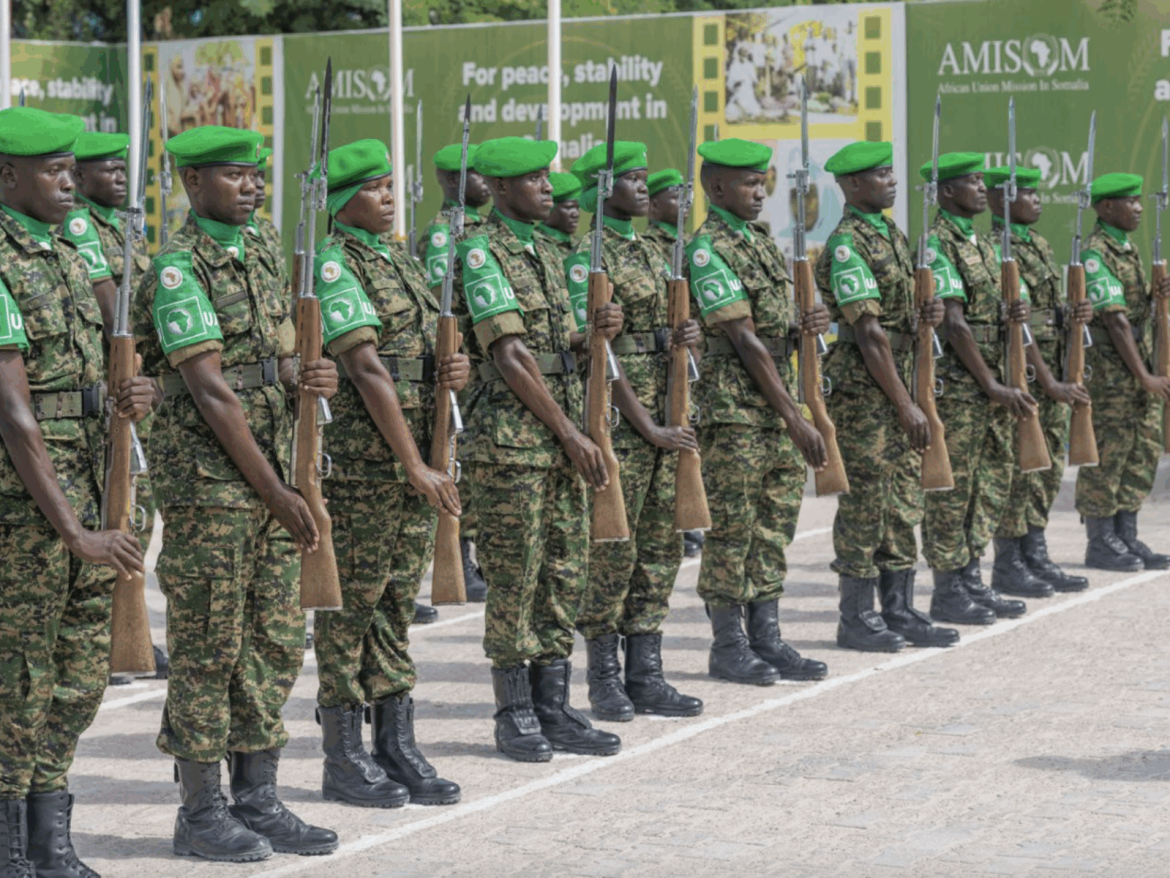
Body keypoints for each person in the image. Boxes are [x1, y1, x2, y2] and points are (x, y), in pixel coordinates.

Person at [133, 125, 338, 862]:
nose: (251, 186)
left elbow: (269, 360)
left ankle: (258, 797)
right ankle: (201, 812)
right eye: (233, 176)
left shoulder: (259, 256)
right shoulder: (178, 269)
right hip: (213, 487)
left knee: (274, 640)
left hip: (270, 478)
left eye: (256, 175)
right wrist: (280, 490)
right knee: (210, 646)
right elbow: (211, 390)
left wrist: (304, 375)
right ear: (192, 185)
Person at [0, 107, 153, 878]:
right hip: (28, 510)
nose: (70, 181)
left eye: (70, 169)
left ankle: (50, 834)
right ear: (6, 177)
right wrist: (73, 531)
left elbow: (90, 371)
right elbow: (14, 410)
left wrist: (127, 394)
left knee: (80, 673)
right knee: (17, 678)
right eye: (54, 171)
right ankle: (10, 851)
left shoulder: (64, 250)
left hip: (93, 481)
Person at [452, 136, 622, 762]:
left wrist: (591, 337)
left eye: (547, 178)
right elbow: (511, 356)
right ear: (497, 189)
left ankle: (555, 704)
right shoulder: (480, 253)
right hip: (512, 445)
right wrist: (571, 433)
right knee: (516, 577)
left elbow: (553, 346)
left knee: (563, 569)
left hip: (556, 440)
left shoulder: (545, 252)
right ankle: (515, 711)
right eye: (532, 179)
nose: (548, 187)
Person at [310, 138, 468, 808]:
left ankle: (396, 745)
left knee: (396, 606)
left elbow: (412, 354)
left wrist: (450, 372)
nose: (388, 198)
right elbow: (367, 368)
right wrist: (415, 464)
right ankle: (344, 757)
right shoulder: (335, 263)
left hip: (408, 470)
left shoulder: (394, 259)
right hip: (366, 471)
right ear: (344, 202)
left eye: (389, 187)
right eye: (374, 190)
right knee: (352, 611)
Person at [565, 141, 704, 722]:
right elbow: (601, 355)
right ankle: (603, 678)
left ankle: (646, 673)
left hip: (666, 413)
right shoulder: (585, 261)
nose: (645, 188)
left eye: (647, 178)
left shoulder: (656, 249)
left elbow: (667, 332)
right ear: (603, 189)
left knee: (659, 549)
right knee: (614, 553)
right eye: (631, 179)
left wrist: (688, 334)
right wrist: (645, 424)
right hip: (622, 421)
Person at [686, 137, 830, 686]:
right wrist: (795, 416)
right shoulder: (709, 248)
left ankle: (766, 638)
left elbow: (774, 330)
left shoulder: (763, 244)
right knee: (733, 529)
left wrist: (805, 322)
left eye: (761, 182)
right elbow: (744, 340)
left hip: (773, 407)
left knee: (772, 527)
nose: (759, 192)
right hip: (735, 412)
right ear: (716, 187)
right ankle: (728, 645)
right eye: (748, 183)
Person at [815, 140, 958, 653]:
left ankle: (898, 608)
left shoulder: (890, 233)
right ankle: (856, 617)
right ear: (852, 186)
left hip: (899, 377)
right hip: (867, 392)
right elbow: (871, 334)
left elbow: (898, 319)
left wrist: (928, 316)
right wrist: (905, 403)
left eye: (890, 172)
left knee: (901, 500)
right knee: (866, 503)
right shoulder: (849, 243)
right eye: (879, 175)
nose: (891, 180)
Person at [62, 129, 171, 682]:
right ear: (79, 178)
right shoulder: (81, 225)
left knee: (137, 506)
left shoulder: (119, 225)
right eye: (108, 170)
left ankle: (126, 631)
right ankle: (112, 633)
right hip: (114, 385)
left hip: (133, 385)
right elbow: (113, 314)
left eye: (123, 170)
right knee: (120, 504)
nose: (121, 178)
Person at [921, 153, 1037, 628]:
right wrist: (991, 384)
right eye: (971, 182)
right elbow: (953, 323)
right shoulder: (937, 243)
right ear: (947, 192)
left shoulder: (984, 244)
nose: (982, 191)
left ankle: (972, 579)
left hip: (993, 383)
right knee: (956, 490)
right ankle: (948, 590)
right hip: (965, 390)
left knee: (989, 484)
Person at [985, 166, 1091, 592]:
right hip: (1026, 373)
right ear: (1000, 201)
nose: (1037, 199)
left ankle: (1035, 552)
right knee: (1021, 468)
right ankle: (1009, 563)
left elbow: (1045, 315)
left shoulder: (1040, 244)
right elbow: (1020, 327)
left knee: (1048, 469)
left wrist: (1072, 313)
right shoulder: (997, 250)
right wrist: (1048, 382)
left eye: (1035, 191)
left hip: (1051, 368)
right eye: (1026, 193)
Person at [1076, 172, 1170, 570]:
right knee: (1109, 455)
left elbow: (1134, 311)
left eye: (1138, 201)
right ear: (1106, 207)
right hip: (1115, 375)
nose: (1137, 208)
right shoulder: (1096, 252)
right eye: (1128, 201)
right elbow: (1115, 323)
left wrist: (1156, 297)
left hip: (1140, 364)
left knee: (1140, 450)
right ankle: (1100, 541)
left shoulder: (1128, 249)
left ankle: (1125, 536)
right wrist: (1144, 376)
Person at [419, 142, 491, 604]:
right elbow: (439, 304)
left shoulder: (487, 231)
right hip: (458, 364)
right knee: (452, 459)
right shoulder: (444, 235)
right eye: (472, 174)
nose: (482, 182)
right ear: (448, 181)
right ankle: (457, 558)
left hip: (481, 371)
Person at [642, 168, 706, 560]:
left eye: (686, 193)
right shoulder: (655, 246)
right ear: (652, 205)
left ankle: (688, 518)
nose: (683, 201)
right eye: (672, 195)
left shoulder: (688, 244)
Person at [244, 147, 283, 260]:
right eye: (254, 177)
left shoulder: (268, 228)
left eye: (262, 176)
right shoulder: (230, 235)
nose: (261, 184)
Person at [535, 171, 582, 257]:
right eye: (568, 208)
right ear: (549, 209)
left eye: (577, 208)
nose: (575, 214)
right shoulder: (536, 245)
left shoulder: (579, 245)